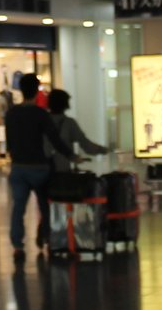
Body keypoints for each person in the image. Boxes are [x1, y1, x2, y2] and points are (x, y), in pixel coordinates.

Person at [4, 72, 73, 261]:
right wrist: (70, 155)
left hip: (18, 167)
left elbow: (9, 140)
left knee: (18, 207)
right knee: (45, 207)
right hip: (39, 167)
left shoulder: (11, 113)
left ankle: (17, 246)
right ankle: (48, 241)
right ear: (37, 92)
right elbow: (54, 139)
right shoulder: (41, 114)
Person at [37, 88, 109, 246]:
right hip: (62, 171)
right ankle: (63, 235)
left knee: (44, 202)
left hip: (42, 169)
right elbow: (86, 145)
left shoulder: (42, 122)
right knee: (63, 203)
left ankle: (44, 231)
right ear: (65, 104)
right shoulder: (69, 124)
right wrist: (104, 149)